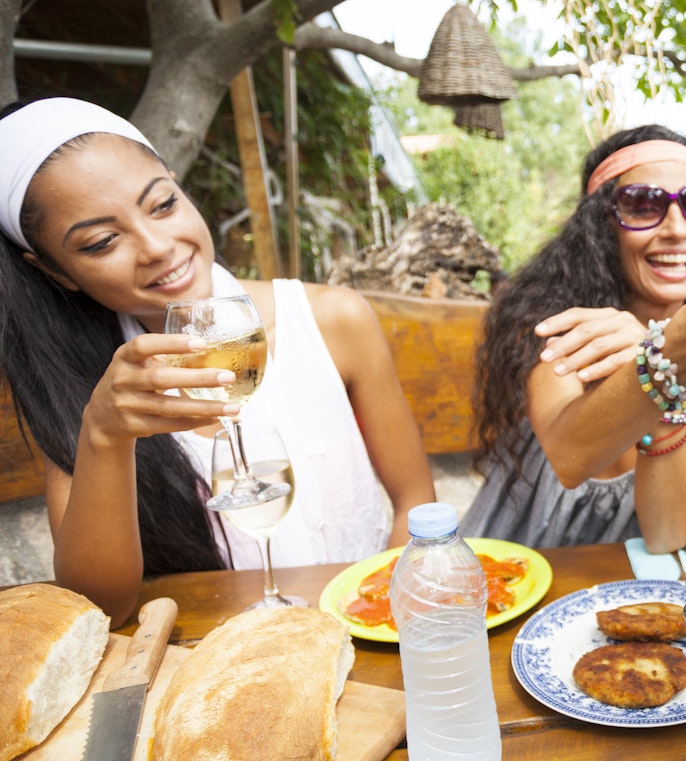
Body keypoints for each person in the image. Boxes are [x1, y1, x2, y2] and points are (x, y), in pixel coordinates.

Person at [0, 98, 436, 624]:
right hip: (220, 665)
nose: (158, 246)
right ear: (55, 271)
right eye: (102, 241)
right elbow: (101, 609)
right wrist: (103, 436)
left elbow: (414, 498)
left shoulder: (330, 320)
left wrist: (387, 619)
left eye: (162, 204)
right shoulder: (87, 392)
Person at [462, 126, 686, 551]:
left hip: (641, 567)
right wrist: (663, 357)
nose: (676, 228)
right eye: (644, 205)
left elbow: (669, 529)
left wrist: (661, 364)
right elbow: (570, 459)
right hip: (527, 554)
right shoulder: (549, 318)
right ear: (601, 225)